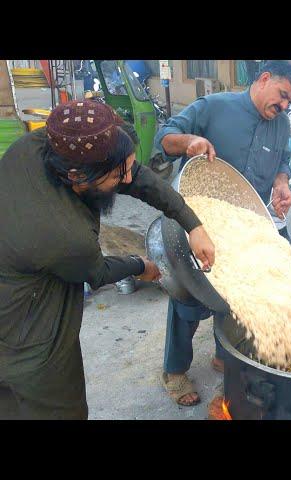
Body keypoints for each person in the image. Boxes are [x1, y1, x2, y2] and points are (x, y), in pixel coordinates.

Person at [0, 100, 216, 419]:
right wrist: (142, 266)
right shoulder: (65, 236)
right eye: (119, 173)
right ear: (78, 176)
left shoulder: (44, 143)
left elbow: (135, 175)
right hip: (24, 328)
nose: (129, 178)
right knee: (56, 405)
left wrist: (192, 223)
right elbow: (97, 272)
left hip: (18, 261)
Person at [154, 60, 291, 406]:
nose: (282, 107)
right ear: (264, 79)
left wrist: (282, 183)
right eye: (281, 96)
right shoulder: (215, 106)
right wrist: (189, 141)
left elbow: (283, 160)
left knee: (237, 297)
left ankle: (225, 354)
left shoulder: (280, 125)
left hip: (244, 228)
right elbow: (165, 138)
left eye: (288, 104)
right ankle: (175, 371)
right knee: (187, 296)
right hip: (198, 222)